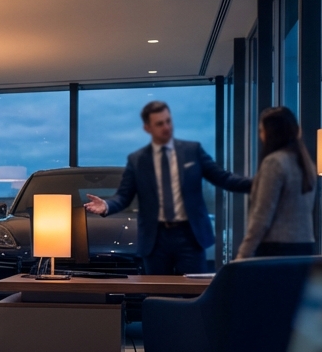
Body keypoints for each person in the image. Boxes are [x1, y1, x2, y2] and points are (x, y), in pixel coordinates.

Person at [85, 100, 251, 275]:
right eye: (159, 124)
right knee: (157, 294)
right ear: (147, 128)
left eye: (168, 121)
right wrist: (106, 206)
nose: (166, 127)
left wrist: (258, 183)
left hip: (190, 236)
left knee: (193, 294)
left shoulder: (192, 151)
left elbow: (223, 178)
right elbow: (124, 196)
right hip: (155, 239)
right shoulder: (137, 160)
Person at [236, 106, 317, 259]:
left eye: (261, 130)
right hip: (304, 247)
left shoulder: (274, 163)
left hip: (276, 249)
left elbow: (262, 217)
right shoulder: (306, 165)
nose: (260, 135)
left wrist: (242, 255)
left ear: (270, 132)